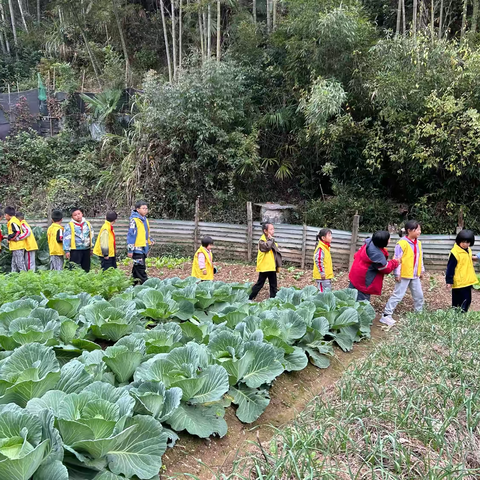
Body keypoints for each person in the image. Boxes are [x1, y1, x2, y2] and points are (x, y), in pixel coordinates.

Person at [382, 220, 424, 326]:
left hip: (414, 275)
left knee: (419, 295)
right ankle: (386, 315)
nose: (419, 231)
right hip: (404, 274)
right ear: (409, 231)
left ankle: (418, 315)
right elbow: (397, 259)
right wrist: (397, 273)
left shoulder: (418, 243)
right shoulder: (401, 243)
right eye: (417, 229)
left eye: (419, 229)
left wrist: (421, 270)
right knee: (398, 295)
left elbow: (420, 258)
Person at [349, 230, 400, 302]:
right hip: (364, 281)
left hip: (355, 276)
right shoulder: (377, 255)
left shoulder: (368, 244)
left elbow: (355, 255)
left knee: (350, 298)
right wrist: (395, 262)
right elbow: (385, 268)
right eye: (388, 239)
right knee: (361, 303)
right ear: (383, 242)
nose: (390, 240)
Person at [446, 229, 479, 312]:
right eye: (463, 242)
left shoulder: (468, 250)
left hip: (467, 280)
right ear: (458, 241)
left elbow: (468, 259)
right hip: (459, 282)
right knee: (457, 301)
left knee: (467, 299)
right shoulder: (455, 253)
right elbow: (450, 268)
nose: (465, 244)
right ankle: (456, 314)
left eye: (468, 242)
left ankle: (463, 313)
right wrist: (449, 281)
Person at [249, 223, 283, 300]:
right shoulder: (262, 241)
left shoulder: (271, 240)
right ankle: (249, 297)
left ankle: (273, 300)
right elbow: (267, 247)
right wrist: (271, 239)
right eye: (271, 229)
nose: (273, 231)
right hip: (265, 267)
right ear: (265, 231)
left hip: (271, 266)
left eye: (273, 229)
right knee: (260, 284)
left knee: (273, 285)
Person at [127, 200, 154, 284]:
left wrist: (150, 241)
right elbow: (131, 235)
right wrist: (130, 250)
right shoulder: (134, 220)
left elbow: (146, 233)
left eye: (146, 208)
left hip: (143, 247)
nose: (145, 210)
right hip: (136, 248)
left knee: (136, 267)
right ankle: (146, 284)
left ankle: (133, 284)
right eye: (143, 208)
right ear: (137, 209)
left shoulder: (145, 220)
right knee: (140, 267)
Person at [63, 207, 94, 272]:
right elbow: (66, 238)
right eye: (75, 215)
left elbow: (91, 235)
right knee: (74, 268)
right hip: (75, 250)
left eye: (79, 214)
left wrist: (92, 248)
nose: (78, 216)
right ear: (72, 217)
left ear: (82, 214)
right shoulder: (69, 226)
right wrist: (67, 251)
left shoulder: (88, 224)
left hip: (86, 249)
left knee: (86, 268)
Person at [4, 206, 26, 272]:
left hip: (18, 246)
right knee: (14, 265)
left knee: (20, 264)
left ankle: (26, 278)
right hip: (15, 247)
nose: (4, 217)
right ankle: (13, 278)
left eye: (5, 215)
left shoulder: (13, 221)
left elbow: (17, 231)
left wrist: (10, 238)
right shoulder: (13, 220)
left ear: (7, 215)